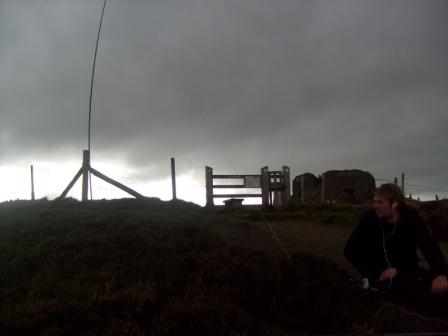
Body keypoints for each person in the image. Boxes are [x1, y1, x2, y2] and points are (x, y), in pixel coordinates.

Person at [343, 183, 448, 299]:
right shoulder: (370, 219)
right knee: (423, 291)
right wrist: (376, 273)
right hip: (385, 274)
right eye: (374, 201)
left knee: (442, 284)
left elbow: (429, 246)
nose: (375, 206)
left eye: (380, 202)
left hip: (409, 270)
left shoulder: (411, 218)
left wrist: (441, 274)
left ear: (395, 204)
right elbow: (349, 250)